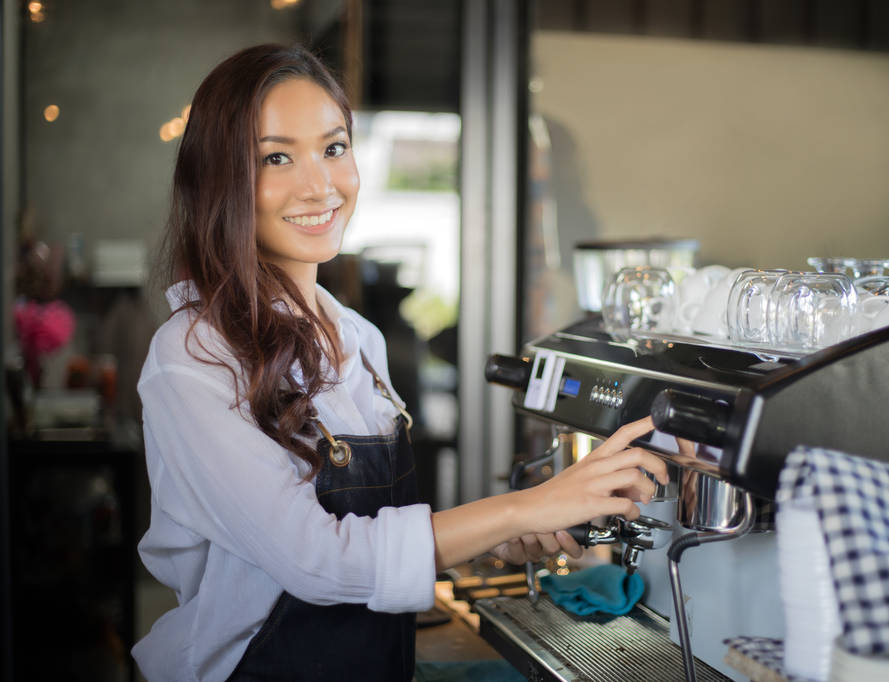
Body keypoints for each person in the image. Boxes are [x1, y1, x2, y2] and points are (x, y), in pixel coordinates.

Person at [132, 43, 668, 682]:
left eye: (333, 148)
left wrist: (491, 536)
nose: (321, 184)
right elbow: (320, 561)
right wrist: (524, 508)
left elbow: (374, 535)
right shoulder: (192, 356)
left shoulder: (356, 336)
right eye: (276, 157)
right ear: (218, 179)